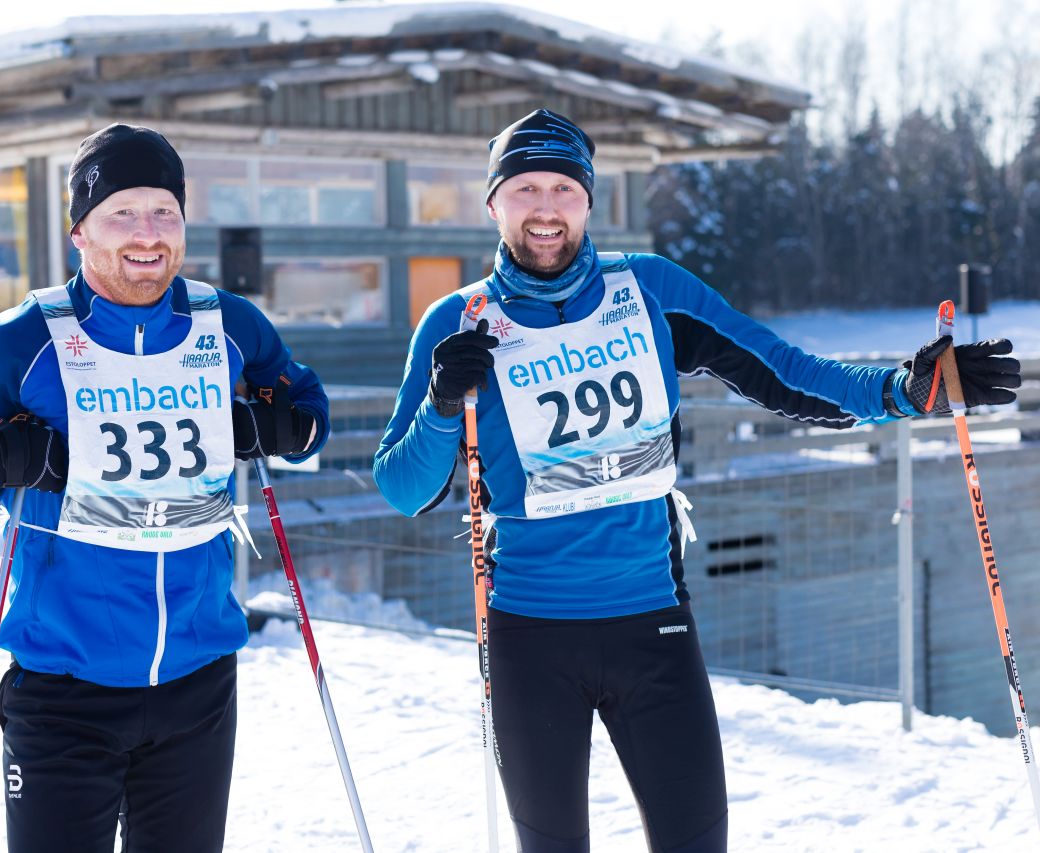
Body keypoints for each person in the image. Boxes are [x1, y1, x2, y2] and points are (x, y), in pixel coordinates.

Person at [373, 109, 1020, 853]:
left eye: (563, 187)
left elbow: (784, 371)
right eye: (524, 189)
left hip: (653, 624)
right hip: (529, 636)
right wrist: (442, 404)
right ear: (493, 204)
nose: (545, 208)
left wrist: (905, 391)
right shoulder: (458, 321)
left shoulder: (649, 290)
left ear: (589, 199)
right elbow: (402, 487)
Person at [0, 124, 329, 853]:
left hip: (198, 685)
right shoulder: (19, 342)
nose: (146, 234)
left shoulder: (229, 326)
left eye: (164, 211)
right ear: (80, 231)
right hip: (65, 693)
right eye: (122, 212)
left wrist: (273, 429)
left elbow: (309, 417)